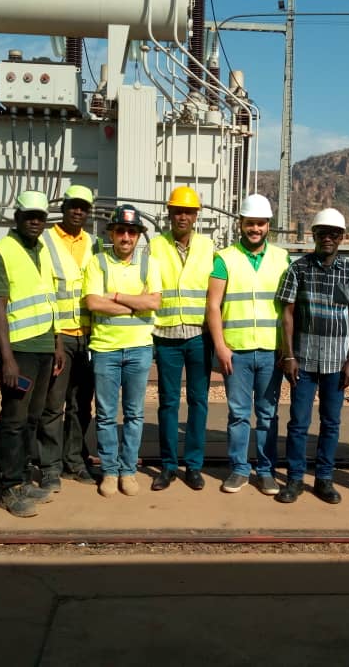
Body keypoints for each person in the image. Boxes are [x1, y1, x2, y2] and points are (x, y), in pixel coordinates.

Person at [274, 208, 349, 505]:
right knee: (298, 423)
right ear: (313, 235)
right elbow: (287, 314)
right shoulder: (298, 269)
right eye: (322, 233)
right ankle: (295, 479)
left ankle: (324, 478)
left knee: (331, 422)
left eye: (334, 233)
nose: (327, 238)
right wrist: (289, 356)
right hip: (304, 361)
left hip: (337, 364)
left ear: (342, 237)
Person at [0, 190, 64, 518]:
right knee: (14, 420)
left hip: (44, 347)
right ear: (16, 217)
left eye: (40, 217)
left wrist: (57, 342)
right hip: (20, 350)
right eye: (29, 216)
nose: (35, 221)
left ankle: (23, 478)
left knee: (32, 418)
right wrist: (7, 360)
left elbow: (49, 298)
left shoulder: (41, 249)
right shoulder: (0, 253)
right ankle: (9, 487)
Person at [206, 193, 289, 495]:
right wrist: (220, 346)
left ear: (268, 225)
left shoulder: (282, 258)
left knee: (267, 415)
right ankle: (239, 469)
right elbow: (213, 305)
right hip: (236, 352)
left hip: (271, 351)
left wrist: (287, 350)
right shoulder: (224, 258)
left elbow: (289, 308)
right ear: (240, 223)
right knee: (239, 414)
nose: (255, 228)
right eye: (250, 223)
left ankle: (266, 471)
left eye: (260, 223)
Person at [83, 204, 162, 497]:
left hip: (139, 348)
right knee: (105, 415)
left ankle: (128, 471)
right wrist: (134, 305)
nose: (126, 237)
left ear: (139, 235)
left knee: (134, 414)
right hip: (105, 349)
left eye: (131, 232)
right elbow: (93, 303)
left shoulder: (148, 264)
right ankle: (109, 471)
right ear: (111, 234)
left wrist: (115, 296)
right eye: (121, 231)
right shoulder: (98, 263)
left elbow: (153, 302)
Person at [149, 186, 214, 492]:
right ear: (170, 214)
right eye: (177, 211)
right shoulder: (156, 245)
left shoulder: (208, 246)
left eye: (188, 212)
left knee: (198, 401)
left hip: (199, 336)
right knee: (168, 402)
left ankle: (194, 466)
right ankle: (168, 466)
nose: (183, 217)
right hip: (166, 335)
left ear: (196, 216)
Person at [41, 184, 97, 485]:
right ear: (63, 208)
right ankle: (50, 466)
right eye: (73, 205)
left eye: (83, 207)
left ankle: (74, 461)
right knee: (53, 405)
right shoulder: (45, 240)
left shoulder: (93, 243)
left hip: (88, 336)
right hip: (59, 336)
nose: (78, 211)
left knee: (80, 404)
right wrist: (54, 338)